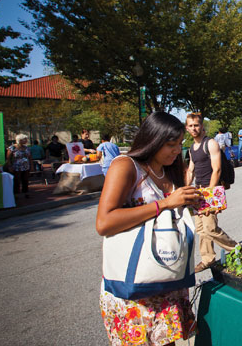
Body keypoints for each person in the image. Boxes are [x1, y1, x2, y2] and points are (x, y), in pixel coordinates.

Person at [95, 112, 199, 346]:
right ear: (152, 140)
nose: (176, 150)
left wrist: (193, 205)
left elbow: (168, 217)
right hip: (135, 285)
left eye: (180, 144)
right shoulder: (126, 166)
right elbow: (104, 222)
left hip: (166, 279)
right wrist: (164, 203)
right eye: (171, 145)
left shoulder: (171, 168)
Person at [185, 113, 237, 272]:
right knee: (201, 229)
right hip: (198, 190)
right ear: (187, 128)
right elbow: (191, 170)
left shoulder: (211, 143)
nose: (194, 128)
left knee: (210, 228)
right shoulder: (191, 149)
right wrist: (185, 189)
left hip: (210, 191)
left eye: (196, 125)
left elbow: (217, 169)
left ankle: (237, 249)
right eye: (191, 126)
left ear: (202, 126)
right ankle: (207, 259)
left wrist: (208, 194)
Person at [6, 134, 33, 198]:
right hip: (16, 167)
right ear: (20, 140)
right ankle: (16, 193)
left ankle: (26, 192)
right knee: (17, 180)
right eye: (25, 139)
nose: (26, 140)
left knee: (25, 180)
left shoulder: (27, 148)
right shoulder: (12, 147)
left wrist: (31, 166)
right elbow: (8, 158)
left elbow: (30, 157)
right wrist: (9, 166)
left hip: (26, 166)